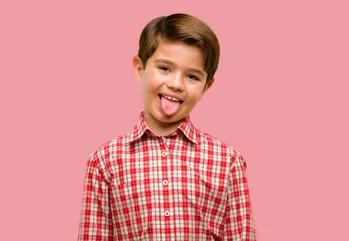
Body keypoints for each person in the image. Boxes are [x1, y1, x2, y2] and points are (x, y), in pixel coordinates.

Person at [77, 13, 257, 240]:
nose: (175, 84)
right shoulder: (104, 161)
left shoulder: (228, 161)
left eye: (192, 76)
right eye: (164, 68)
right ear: (140, 69)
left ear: (206, 87)